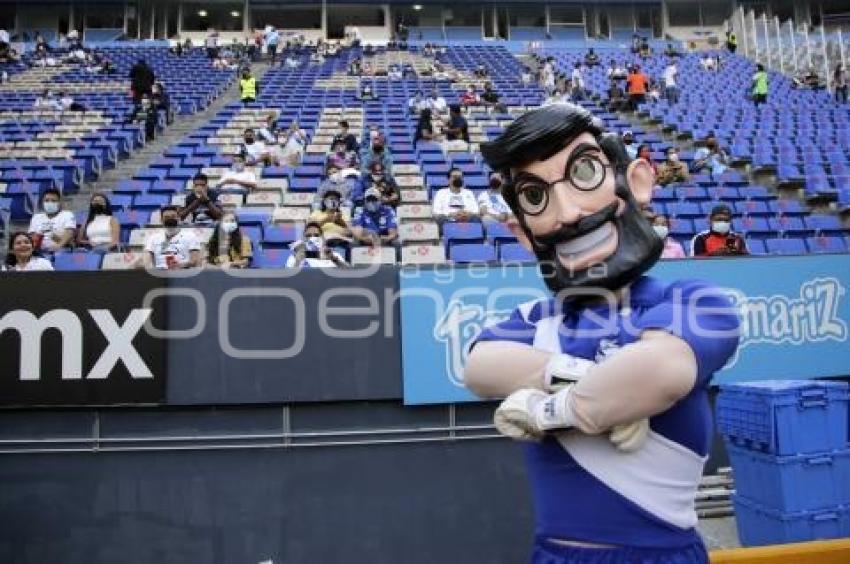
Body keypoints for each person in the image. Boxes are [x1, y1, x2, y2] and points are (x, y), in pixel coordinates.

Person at [467, 102, 740, 564]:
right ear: (523, 232)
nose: (568, 213)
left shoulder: (693, 301)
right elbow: (479, 364)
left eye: (585, 172)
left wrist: (549, 410)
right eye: (537, 198)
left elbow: (663, 371)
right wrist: (592, 386)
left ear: (635, 182)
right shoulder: (539, 320)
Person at [29, 188, 75, 253]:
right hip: (39, 252)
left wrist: (58, 245)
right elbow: (32, 236)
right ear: (42, 202)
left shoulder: (67, 215)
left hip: (61, 251)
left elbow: (69, 234)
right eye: (46, 200)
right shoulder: (36, 217)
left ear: (59, 203)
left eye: (53, 201)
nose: (49, 203)